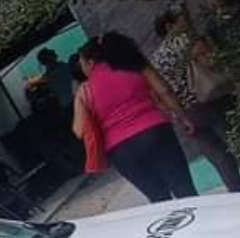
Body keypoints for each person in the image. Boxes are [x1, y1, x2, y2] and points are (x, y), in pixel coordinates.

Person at [73, 32, 198, 203]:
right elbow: (164, 91)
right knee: (184, 189)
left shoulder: (84, 91)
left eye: (82, 64)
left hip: (121, 150)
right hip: (156, 133)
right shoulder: (134, 66)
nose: (82, 69)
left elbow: (79, 130)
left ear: (90, 62)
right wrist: (183, 117)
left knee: (159, 198)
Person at [150, 10, 240, 193]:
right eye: (182, 18)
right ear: (169, 26)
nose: (187, 20)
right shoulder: (187, 40)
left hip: (187, 114)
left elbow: (161, 92)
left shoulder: (156, 59)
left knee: (220, 160)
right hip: (213, 101)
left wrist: (179, 116)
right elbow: (213, 61)